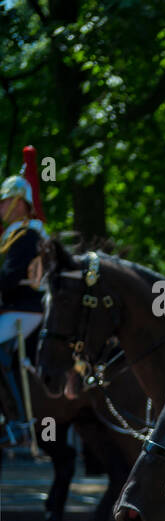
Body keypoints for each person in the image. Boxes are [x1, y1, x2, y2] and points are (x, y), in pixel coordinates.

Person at [1, 146, 47, 447]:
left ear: (19, 204)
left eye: (4, 201)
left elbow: (10, 276)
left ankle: (18, 419)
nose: (0, 207)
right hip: (12, 307)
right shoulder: (13, 234)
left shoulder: (26, 234)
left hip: (25, 308)